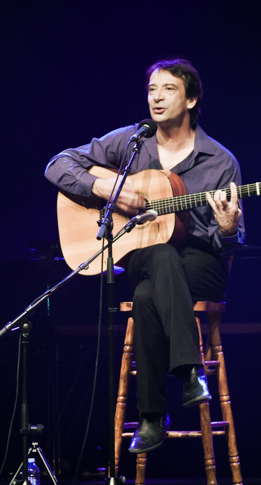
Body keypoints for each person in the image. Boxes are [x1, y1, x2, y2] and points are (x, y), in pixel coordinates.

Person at [44, 58, 243, 453]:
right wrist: (103, 188)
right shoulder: (133, 141)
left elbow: (231, 243)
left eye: (168, 89)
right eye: (152, 89)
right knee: (159, 256)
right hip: (144, 253)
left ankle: (152, 415)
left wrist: (226, 227)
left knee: (146, 294)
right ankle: (190, 373)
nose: (156, 97)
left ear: (191, 100)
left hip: (201, 262)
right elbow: (57, 165)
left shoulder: (220, 161)